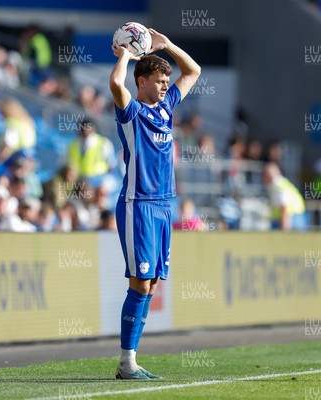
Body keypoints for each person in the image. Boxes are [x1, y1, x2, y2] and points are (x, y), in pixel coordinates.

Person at [110, 27, 200, 380]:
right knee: (139, 283)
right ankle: (126, 361)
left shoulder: (166, 108)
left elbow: (193, 72)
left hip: (165, 206)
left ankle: (130, 360)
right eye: (159, 80)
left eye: (166, 80)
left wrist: (168, 46)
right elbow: (117, 86)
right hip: (138, 204)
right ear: (142, 81)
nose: (166, 85)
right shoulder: (131, 111)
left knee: (152, 284)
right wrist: (126, 55)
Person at [67, 118, 116, 187]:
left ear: (93, 129)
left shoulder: (103, 144)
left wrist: (103, 182)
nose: (84, 131)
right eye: (82, 129)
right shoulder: (73, 144)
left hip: (97, 181)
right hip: (78, 181)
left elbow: (111, 165)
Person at [262, 163, 307, 231]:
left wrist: (284, 229)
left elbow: (284, 207)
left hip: (291, 220)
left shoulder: (277, 186)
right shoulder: (283, 183)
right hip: (298, 218)